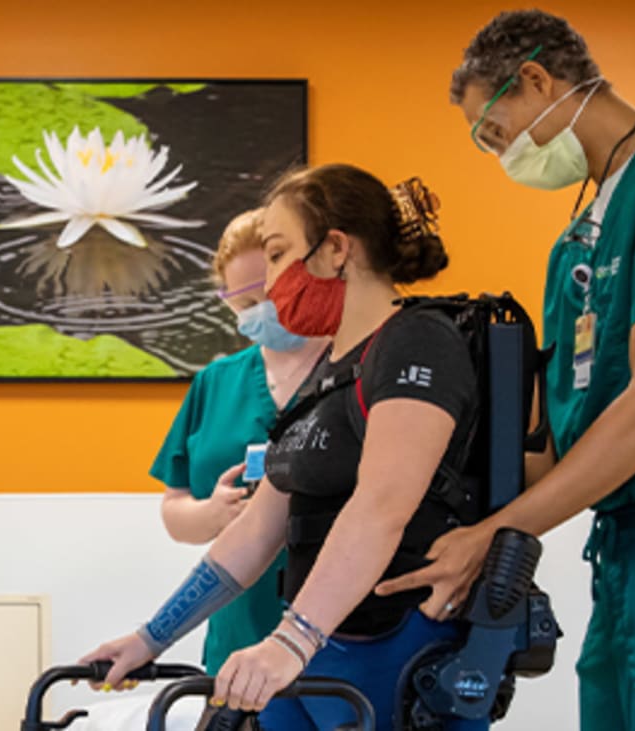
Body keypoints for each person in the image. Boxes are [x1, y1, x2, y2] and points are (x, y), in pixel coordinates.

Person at [375, 10, 635, 731]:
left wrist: (497, 532)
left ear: (535, 80)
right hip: (624, 540)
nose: (498, 156)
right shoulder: (575, 238)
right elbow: (558, 441)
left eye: (494, 134)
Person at [83, 164, 487, 731]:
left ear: (336, 250)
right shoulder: (329, 373)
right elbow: (255, 530)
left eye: (277, 254)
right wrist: (150, 637)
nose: (270, 286)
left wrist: (291, 641)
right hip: (317, 657)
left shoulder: (416, 341)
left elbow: (381, 509)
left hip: (390, 651)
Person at [150, 208, 328, 676]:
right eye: (244, 305)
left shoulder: (356, 370)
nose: (261, 313)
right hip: (237, 632)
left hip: (335, 632)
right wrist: (213, 514)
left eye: (269, 295)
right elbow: (174, 510)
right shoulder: (216, 382)